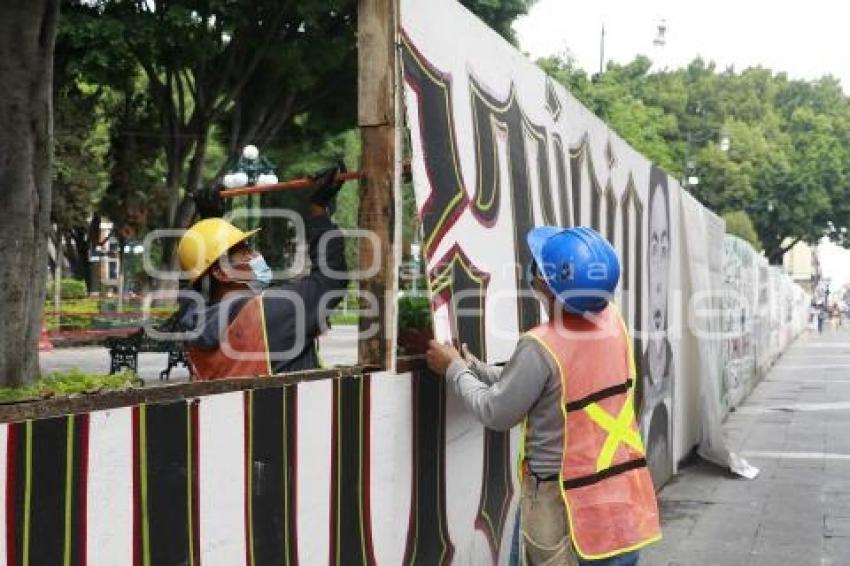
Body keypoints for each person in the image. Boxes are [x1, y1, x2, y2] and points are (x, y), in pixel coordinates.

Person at [426, 226, 661, 565]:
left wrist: (453, 370)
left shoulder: (541, 345)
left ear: (546, 286)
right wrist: (473, 367)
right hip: (618, 496)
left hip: (561, 502)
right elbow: (551, 388)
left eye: (537, 265)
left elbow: (497, 411)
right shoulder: (614, 325)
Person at [175, 164, 348, 379]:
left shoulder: (191, 323)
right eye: (244, 251)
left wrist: (209, 223)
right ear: (221, 273)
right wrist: (318, 209)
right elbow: (330, 280)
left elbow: (189, 290)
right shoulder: (268, 311)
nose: (254, 254)